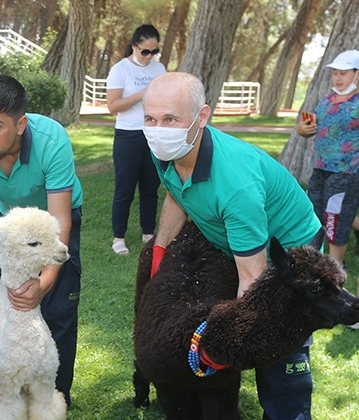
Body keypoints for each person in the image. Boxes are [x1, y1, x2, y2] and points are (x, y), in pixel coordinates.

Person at [144, 72, 322, 419]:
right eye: (150, 118)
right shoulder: (164, 150)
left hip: (290, 249)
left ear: (202, 117)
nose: (158, 128)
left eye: (170, 119)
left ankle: (289, 408)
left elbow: (251, 280)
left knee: (278, 344)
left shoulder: (236, 186)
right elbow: (176, 195)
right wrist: (158, 254)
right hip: (241, 241)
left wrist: (234, 336)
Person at [0, 74, 83, 406]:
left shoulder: (52, 140)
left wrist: (46, 280)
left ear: (21, 124)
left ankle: (54, 395)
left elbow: (60, 219)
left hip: (52, 222)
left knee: (56, 308)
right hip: (7, 222)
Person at [105, 24, 166, 255]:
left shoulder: (159, 69)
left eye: (154, 51)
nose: (149, 56)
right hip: (127, 136)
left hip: (153, 134)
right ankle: (118, 238)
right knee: (125, 190)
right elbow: (113, 106)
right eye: (145, 51)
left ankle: (148, 233)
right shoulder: (120, 70)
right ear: (134, 47)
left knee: (151, 188)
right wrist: (143, 94)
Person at [296, 49, 359, 271]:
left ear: (357, 74)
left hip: (346, 172)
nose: (338, 78)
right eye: (335, 73)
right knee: (315, 212)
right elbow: (312, 127)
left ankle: (335, 270)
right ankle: (316, 262)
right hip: (321, 167)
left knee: (335, 219)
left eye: (344, 73)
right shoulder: (327, 99)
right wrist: (303, 129)